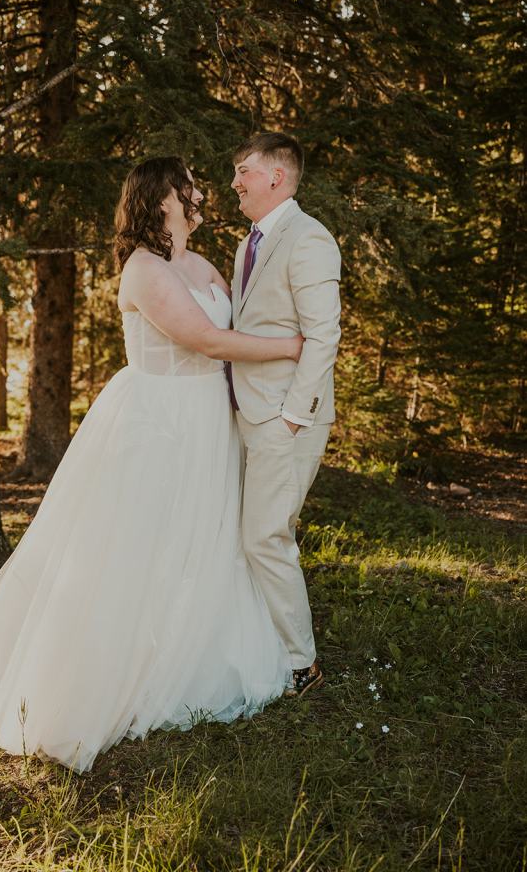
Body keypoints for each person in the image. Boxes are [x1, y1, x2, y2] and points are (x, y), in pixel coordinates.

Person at [0, 155, 303, 771]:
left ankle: (194, 644)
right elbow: (208, 339)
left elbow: (233, 325)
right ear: (162, 198)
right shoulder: (144, 270)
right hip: (160, 422)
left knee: (205, 535)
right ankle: (118, 667)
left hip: (208, 420)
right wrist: (292, 348)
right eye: (186, 183)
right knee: (140, 543)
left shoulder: (202, 263)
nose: (197, 189)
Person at [228, 132, 341, 697]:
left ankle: (302, 667)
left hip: (284, 417)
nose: (235, 183)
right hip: (251, 413)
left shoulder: (309, 239)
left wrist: (293, 417)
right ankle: (269, 647)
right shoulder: (248, 243)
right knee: (266, 535)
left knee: (265, 538)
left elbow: (324, 337)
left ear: (276, 175)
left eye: (243, 171)